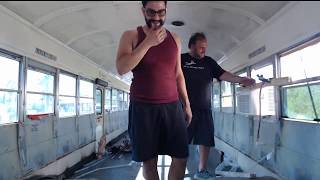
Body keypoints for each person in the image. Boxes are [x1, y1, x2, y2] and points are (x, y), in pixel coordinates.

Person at [116, 1, 192, 180]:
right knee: (149, 162)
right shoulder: (131, 35)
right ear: (143, 11)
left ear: (166, 11)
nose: (156, 18)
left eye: (161, 12)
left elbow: (178, 73)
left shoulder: (175, 38)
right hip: (143, 108)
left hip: (172, 106)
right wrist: (147, 43)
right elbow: (121, 67)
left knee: (181, 158)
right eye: (151, 12)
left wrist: (187, 104)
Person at [181, 32, 255, 179]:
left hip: (204, 109)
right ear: (191, 46)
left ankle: (202, 170)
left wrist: (240, 79)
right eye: (201, 47)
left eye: (205, 47)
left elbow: (223, 74)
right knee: (181, 142)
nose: (204, 50)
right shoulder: (181, 59)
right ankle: (179, 170)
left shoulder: (209, 62)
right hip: (184, 109)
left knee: (205, 139)